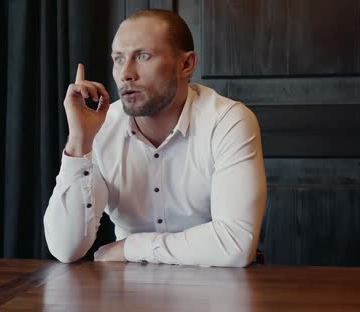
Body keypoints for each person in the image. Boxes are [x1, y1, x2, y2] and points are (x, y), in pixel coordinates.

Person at [43, 9, 266, 267]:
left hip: (216, 291)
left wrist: (131, 247)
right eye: (118, 59)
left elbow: (234, 244)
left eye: (143, 56)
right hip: (128, 295)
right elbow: (65, 248)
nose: (126, 73)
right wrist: (79, 143)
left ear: (186, 64)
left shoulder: (227, 121)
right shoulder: (103, 127)